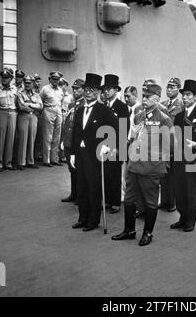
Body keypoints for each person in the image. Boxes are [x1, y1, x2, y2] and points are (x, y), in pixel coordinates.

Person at [112, 82, 174, 246]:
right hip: (134, 166)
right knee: (130, 199)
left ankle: (148, 233)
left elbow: (169, 146)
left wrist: (156, 163)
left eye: (148, 97)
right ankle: (129, 230)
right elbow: (132, 138)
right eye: (143, 96)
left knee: (150, 202)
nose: (144, 99)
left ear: (157, 99)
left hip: (151, 168)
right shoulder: (139, 116)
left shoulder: (164, 119)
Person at [70, 73, 118, 232]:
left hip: (95, 155)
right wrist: (72, 153)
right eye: (86, 89)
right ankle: (82, 218)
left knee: (93, 187)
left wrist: (108, 145)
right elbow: (76, 133)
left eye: (91, 90)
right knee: (81, 186)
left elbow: (116, 130)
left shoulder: (103, 110)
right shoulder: (79, 110)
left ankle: (93, 220)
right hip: (81, 155)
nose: (88, 92)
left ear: (98, 92)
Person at [171, 79, 196, 232]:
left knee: (190, 190)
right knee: (179, 190)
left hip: (193, 159)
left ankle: (190, 221)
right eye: (184, 95)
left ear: (195, 97)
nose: (185, 98)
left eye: (188, 95)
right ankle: (182, 217)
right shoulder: (179, 116)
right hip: (179, 159)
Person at [101, 74, 130, 214]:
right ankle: (107, 200)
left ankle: (116, 202)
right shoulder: (102, 106)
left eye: (109, 89)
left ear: (116, 90)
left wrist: (120, 148)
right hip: (103, 146)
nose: (106, 91)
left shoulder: (122, 107)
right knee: (105, 174)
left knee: (115, 175)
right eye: (105, 89)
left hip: (116, 146)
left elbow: (124, 129)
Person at [159, 77, 184, 212]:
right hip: (163, 143)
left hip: (175, 143)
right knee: (163, 173)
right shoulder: (162, 104)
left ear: (178, 89)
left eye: (172, 87)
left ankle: (172, 202)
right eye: (168, 87)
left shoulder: (181, 105)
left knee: (174, 174)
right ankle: (164, 200)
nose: (169, 89)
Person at [61, 78, 85, 203]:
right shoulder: (71, 105)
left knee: (79, 169)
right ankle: (73, 193)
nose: (75, 90)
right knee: (71, 168)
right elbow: (67, 124)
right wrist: (63, 139)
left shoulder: (84, 105)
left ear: (83, 89)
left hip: (77, 142)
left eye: (78, 88)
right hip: (69, 141)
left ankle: (80, 195)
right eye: (74, 88)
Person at [0, 68, 18, 171]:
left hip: (12, 113)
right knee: (0, 138)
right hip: (1, 112)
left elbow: (16, 101)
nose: (4, 79)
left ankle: (8, 162)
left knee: (10, 138)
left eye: (7, 78)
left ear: (11, 78)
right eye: (3, 77)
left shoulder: (15, 89)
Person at [16, 75, 43, 170]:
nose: (27, 84)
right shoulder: (19, 93)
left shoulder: (36, 94)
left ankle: (30, 161)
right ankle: (21, 162)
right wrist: (34, 106)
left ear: (33, 83)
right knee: (23, 139)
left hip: (34, 116)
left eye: (29, 83)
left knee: (32, 138)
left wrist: (29, 104)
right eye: (26, 82)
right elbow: (21, 106)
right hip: (23, 116)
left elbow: (40, 107)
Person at [39, 71, 64, 167]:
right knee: (47, 136)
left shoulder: (60, 90)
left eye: (57, 79)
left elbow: (61, 101)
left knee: (57, 136)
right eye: (54, 79)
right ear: (50, 79)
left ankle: (54, 159)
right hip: (48, 109)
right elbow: (40, 101)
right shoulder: (45, 89)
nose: (55, 81)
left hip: (58, 110)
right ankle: (47, 160)